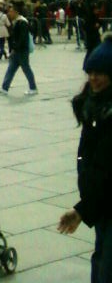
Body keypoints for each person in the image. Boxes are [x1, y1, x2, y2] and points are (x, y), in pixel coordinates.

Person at [58, 34, 112, 282]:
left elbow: (105, 169)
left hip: (104, 201)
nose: (93, 78)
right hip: (101, 204)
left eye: (99, 73)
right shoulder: (94, 108)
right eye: (90, 72)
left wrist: (82, 210)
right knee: (101, 258)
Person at [0, 3, 38, 95]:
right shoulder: (17, 21)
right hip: (17, 50)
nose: (9, 13)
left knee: (26, 68)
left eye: (11, 11)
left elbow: (22, 37)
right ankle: (5, 88)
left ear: (16, 12)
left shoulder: (22, 22)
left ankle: (33, 88)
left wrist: (15, 47)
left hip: (21, 50)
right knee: (11, 69)